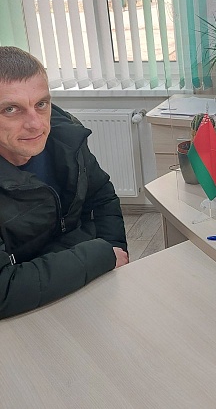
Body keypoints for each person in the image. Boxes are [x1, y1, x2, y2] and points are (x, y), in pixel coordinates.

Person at [0, 47, 128, 319]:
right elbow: (3, 290)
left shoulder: (66, 136)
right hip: (26, 314)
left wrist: (116, 253)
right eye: (11, 109)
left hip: (86, 284)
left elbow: (102, 197)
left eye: (41, 104)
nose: (36, 125)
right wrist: (101, 255)